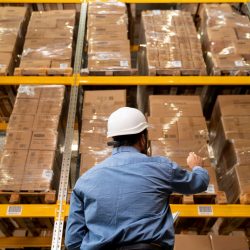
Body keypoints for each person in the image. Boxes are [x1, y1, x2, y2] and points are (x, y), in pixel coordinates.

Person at [65, 107, 209, 250]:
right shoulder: (161, 168)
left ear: (113, 139)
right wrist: (197, 167)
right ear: (142, 138)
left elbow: (73, 241)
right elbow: (198, 183)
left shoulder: (84, 181)